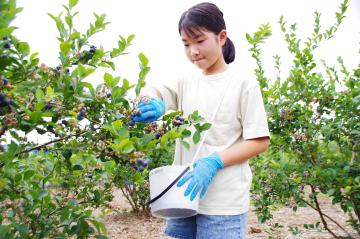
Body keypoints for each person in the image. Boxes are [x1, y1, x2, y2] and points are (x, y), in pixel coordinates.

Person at [133, 2, 270, 239]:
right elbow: (155, 90)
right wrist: (150, 101)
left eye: (199, 41)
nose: (193, 51)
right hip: (182, 197)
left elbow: (259, 141)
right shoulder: (187, 81)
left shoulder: (243, 84)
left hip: (223, 204)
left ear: (222, 37)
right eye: (186, 44)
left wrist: (214, 162)